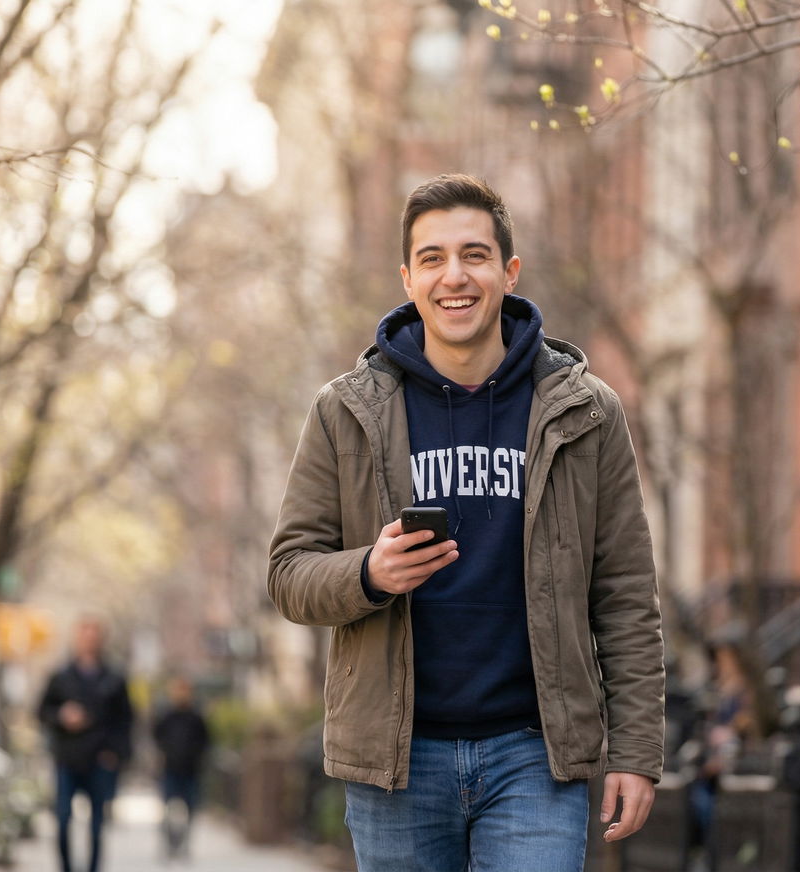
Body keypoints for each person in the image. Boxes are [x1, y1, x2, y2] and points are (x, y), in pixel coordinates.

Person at [268, 173, 665, 871]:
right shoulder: (345, 411)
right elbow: (289, 573)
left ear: (509, 272)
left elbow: (626, 593)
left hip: (534, 757)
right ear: (408, 278)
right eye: (433, 258)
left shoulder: (586, 411)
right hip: (396, 758)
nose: (455, 276)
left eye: (475, 255)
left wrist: (636, 752)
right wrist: (368, 573)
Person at [37, 618, 133, 872]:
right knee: (63, 818)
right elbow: (42, 711)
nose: (89, 641)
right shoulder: (60, 677)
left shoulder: (114, 678)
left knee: (96, 825)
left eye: (93, 636)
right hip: (67, 758)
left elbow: (126, 719)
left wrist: (115, 753)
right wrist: (62, 716)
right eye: (84, 635)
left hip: (100, 759)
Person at [151, 676, 212, 861]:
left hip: (191, 769)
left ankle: (184, 844)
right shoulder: (166, 715)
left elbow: (205, 741)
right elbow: (156, 736)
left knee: (190, 810)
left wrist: (196, 755)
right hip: (170, 768)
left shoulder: (196, 717)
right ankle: (169, 844)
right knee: (168, 809)